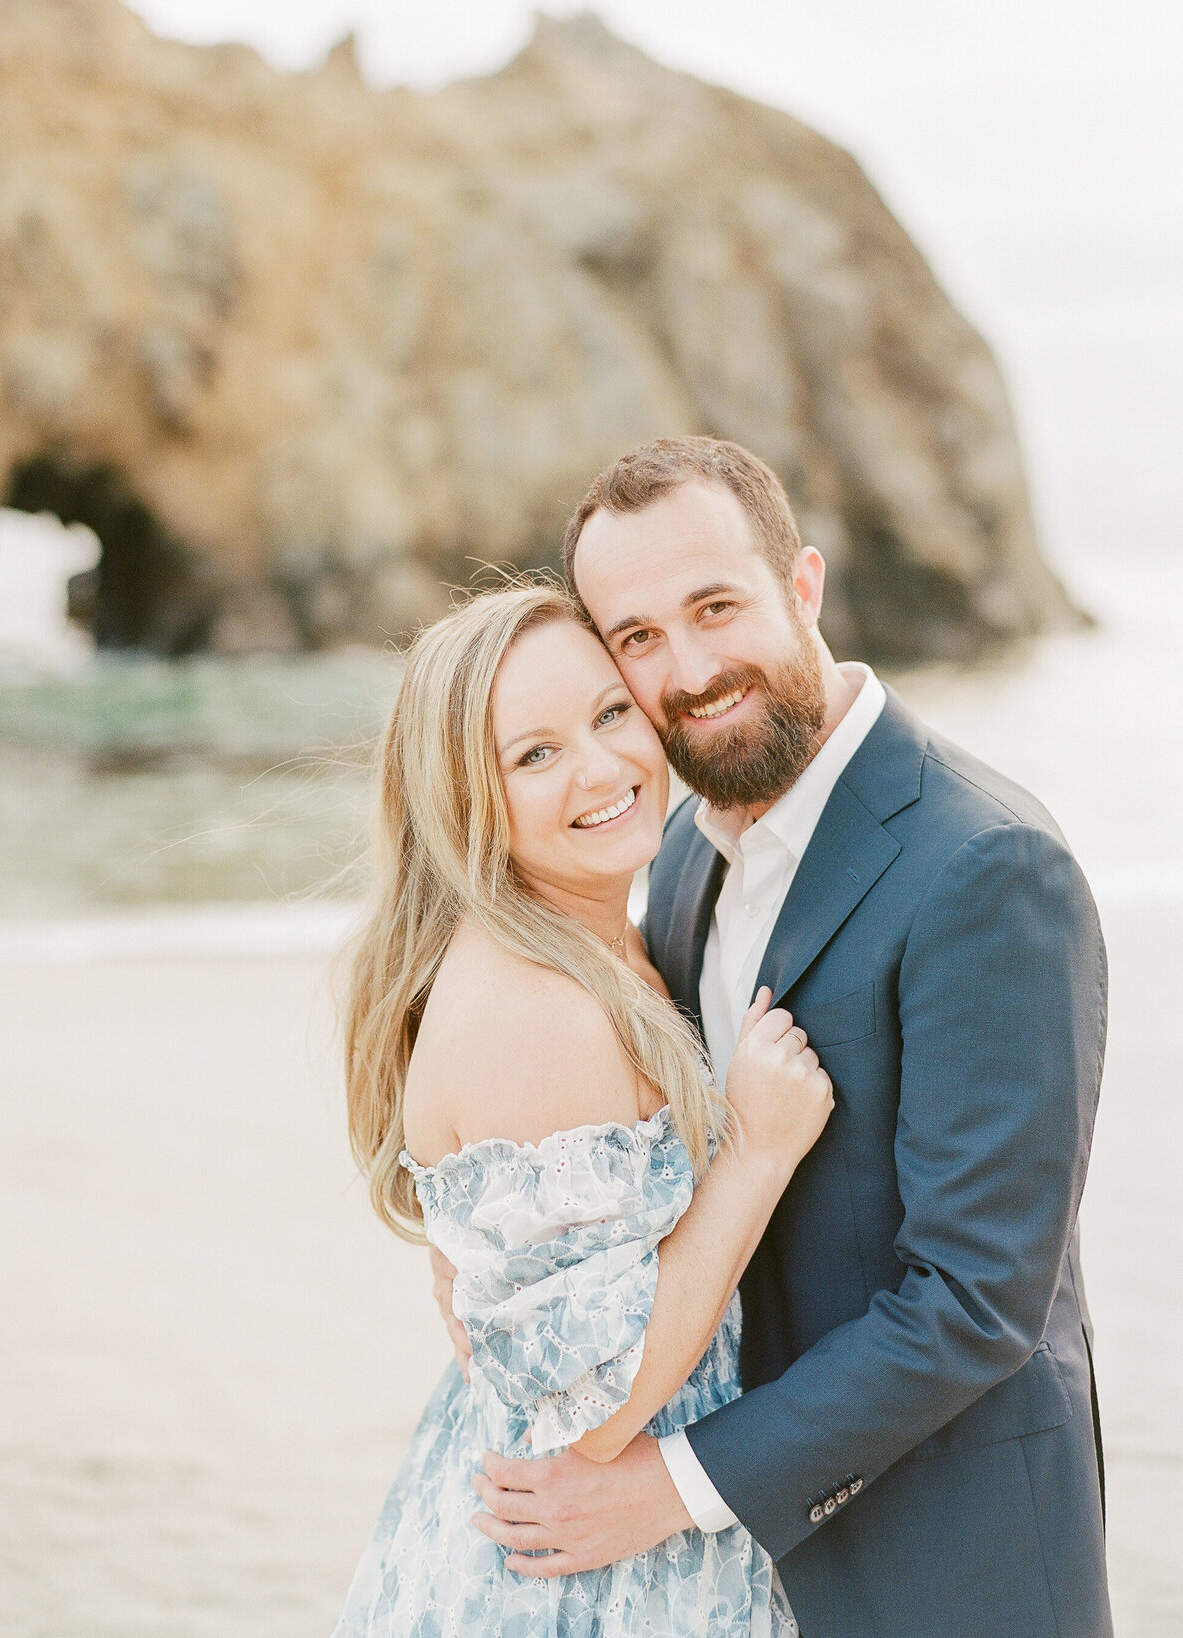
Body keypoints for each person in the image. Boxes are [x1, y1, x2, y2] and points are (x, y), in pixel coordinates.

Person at [454, 437, 1112, 1638]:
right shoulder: (689, 846)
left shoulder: (989, 869)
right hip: (743, 1580)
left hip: (949, 1566)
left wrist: (675, 1486)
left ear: (801, 585)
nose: (692, 670)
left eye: (717, 607)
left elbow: (974, 1301)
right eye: (639, 640)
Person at [333, 581, 836, 1635]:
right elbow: (599, 1407)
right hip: (586, 1574)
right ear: (467, 797)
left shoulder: (597, 940)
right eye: (535, 754)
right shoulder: (539, 1013)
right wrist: (758, 1151)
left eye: (611, 714)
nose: (605, 768)